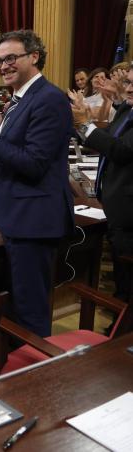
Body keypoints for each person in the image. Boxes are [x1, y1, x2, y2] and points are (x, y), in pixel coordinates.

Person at [0, 29, 74, 338]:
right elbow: (7, 153)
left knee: (30, 309)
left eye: (11, 58)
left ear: (34, 57)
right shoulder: (18, 100)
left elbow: (34, 164)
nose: (3, 66)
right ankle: (18, 360)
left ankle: (35, 366)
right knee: (19, 302)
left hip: (34, 221)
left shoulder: (49, 99)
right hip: (16, 218)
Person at [73, 65, 133, 308]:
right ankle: (120, 318)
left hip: (129, 210)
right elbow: (109, 135)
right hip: (118, 207)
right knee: (122, 273)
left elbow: (121, 150)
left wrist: (85, 124)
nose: (129, 89)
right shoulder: (127, 109)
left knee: (128, 274)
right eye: (128, 82)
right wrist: (83, 123)